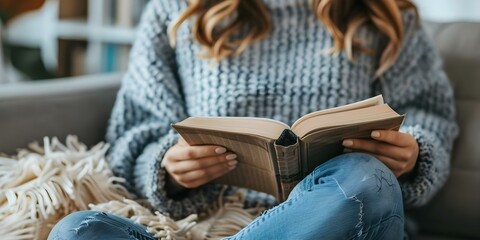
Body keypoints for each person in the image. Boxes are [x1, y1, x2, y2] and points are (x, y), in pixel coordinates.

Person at [48, 0, 458, 239]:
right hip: (206, 224)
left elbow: (429, 117)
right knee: (78, 231)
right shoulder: (178, 9)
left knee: (364, 178)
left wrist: (415, 155)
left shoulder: (384, 15)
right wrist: (168, 167)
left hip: (341, 217)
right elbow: (133, 131)